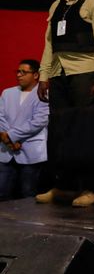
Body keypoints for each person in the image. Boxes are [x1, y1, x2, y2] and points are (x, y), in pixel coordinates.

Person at [35, 0, 94, 207]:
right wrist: (44, 75)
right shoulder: (56, 5)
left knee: (86, 133)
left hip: (85, 74)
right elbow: (49, 44)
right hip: (59, 75)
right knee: (61, 133)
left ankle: (92, 188)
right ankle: (64, 187)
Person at [0, 60, 49, 200]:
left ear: (36, 75)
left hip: (31, 151)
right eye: (18, 71)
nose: (19, 75)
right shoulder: (7, 93)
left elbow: (39, 121)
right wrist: (8, 141)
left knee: (28, 194)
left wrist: (11, 136)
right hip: (6, 150)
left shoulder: (43, 93)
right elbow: (1, 117)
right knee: (2, 193)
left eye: (24, 72)